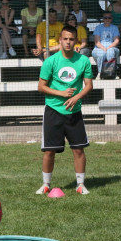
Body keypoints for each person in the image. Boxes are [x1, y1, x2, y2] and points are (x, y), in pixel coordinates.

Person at [36, 24, 94, 196]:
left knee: (78, 149)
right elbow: (41, 86)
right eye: (65, 39)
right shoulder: (50, 61)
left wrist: (77, 97)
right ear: (60, 40)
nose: (68, 42)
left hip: (74, 112)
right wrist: (61, 93)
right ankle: (46, 185)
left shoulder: (83, 61)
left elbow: (89, 85)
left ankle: (80, 184)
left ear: (75, 41)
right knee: (49, 151)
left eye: (71, 39)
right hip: (53, 110)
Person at [91, 10, 120, 79]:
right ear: (103, 19)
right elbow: (97, 42)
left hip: (112, 47)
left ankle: (112, 73)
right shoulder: (98, 27)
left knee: (110, 51)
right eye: (105, 18)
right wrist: (104, 49)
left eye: (109, 18)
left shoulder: (115, 28)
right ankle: (100, 73)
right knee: (101, 53)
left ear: (111, 19)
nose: (107, 19)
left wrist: (109, 47)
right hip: (99, 47)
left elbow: (116, 41)